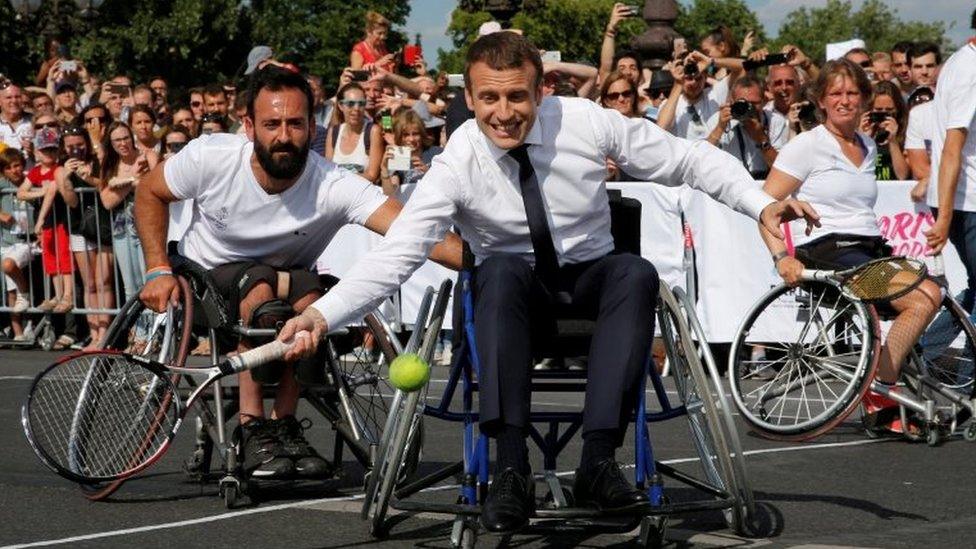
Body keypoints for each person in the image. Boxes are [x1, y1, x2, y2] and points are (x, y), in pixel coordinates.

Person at [278, 32, 817, 533]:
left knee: (637, 270)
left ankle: (599, 462)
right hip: (513, 294)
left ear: (542, 90)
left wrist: (761, 204)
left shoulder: (587, 121)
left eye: (517, 97)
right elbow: (399, 253)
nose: (504, 113)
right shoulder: (458, 159)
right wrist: (321, 315)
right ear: (471, 95)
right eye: (489, 98)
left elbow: (688, 159)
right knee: (502, 268)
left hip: (590, 279)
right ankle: (510, 467)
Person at [135, 67, 461, 481]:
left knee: (310, 296)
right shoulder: (210, 157)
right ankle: (252, 426)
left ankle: (284, 425)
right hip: (208, 279)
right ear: (249, 126)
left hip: (289, 283)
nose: (284, 135)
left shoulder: (332, 184)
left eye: (295, 123)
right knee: (261, 289)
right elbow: (150, 190)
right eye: (272, 124)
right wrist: (156, 268)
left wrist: (489, 262)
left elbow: (418, 232)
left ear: (313, 125)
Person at [758, 59, 941, 433]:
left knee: (935, 290)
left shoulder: (869, 145)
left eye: (853, 93)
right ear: (821, 100)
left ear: (865, 98)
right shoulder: (807, 146)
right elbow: (764, 208)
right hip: (827, 250)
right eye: (836, 93)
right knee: (920, 299)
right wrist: (781, 258)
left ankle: (882, 382)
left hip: (869, 247)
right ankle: (880, 392)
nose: (845, 101)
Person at [922, 28, 976, 372]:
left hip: (956, 199)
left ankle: (924, 352)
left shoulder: (959, 60)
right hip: (965, 200)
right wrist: (943, 217)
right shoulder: (971, 71)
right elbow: (952, 148)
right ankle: (966, 382)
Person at [99, 121, 157, 353]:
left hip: (146, 227)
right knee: (130, 287)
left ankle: (155, 334)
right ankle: (140, 334)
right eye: (117, 140)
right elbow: (107, 201)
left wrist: (128, 183)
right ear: (111, 144)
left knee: (150, 282)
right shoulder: (111, 166)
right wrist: (131, 180)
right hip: (122, 229)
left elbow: (153, 184)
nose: (122, 143)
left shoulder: (146, 157)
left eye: (125, 138)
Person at [57, 125, 115, 349]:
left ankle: (105, 333)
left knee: (104, 282)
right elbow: (72, 202)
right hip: (80, 229)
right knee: (90, 283)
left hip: (103, 227)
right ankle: (94, 334)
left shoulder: (100, 160)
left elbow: (105, 187)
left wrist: (88, 177)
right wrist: (67, 179)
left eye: (80, 145)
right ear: (64, 147)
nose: (75, 150)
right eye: (70, 146)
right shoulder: (63, 170)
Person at [23, 120, 75, 316]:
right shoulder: (36, 171)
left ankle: (68, 295)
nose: (49, 154)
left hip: (59, 221)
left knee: (64, 259)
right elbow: (21, 192)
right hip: (46, 226)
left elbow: (52, 192)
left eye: (52, 150)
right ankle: (58, 294)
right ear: (37, 152)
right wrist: (39, 192)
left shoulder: (58, 170)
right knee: (51, 260)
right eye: (45, 150)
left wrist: (44, 193)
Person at [706, 76, 780, 179]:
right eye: (743, 103)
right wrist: (719, 128)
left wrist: (762, 139)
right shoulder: (718, 120)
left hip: (766, 182)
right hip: (731, 182)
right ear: (732, 101)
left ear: (764, 101)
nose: (749, 108)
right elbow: (703, 157)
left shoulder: (775, 121)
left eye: (754, 103)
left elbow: (782, 170)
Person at [0, 148, 33, 332]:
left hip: (28, 241)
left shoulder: (30, 181)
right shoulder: (3, 184)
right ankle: (18, 332)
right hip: (7, 242)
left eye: (17, 165)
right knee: (11, 290)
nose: (14, 170)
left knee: (8, 266)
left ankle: (25, 293)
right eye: (9, 167)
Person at [324, 83, 383, 182]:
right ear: (341, 106)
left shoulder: (373, 131)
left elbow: (372, 175)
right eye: (350, 104)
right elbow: (328, 170)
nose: (356, 109)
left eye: (361, 104)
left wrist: (342, 180)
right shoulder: (333, 132)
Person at [378, 108, 441, 198]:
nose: (411, 139)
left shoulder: (436, 153)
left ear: (422, 134)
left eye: (415, 134)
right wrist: (384, 170)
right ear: (399, 136)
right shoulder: (399, 157)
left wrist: (428, 172)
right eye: (406, 135)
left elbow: (449, 185)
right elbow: (390, 194)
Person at [862, 81, 909, 181]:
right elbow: (855, 171)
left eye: (889, 110)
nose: (883, 114)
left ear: (897, 109)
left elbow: (902, 175)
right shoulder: (861, 132)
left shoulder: (907, 133)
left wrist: (893, 141)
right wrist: (864, 139)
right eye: (878, 110)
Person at [0, 85, 33, 153]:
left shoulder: (35, 121)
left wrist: (35, 149)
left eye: (18, 97)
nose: (14, 101)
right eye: (9, 97)